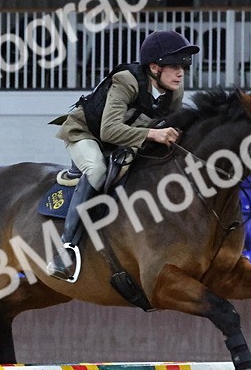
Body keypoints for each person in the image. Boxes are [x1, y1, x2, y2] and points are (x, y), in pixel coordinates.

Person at [45, 29, 199, 281]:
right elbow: (108, 130)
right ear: (154, 67)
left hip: (128, 136)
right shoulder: (126, 81)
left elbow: (170, 124)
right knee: (96, 169)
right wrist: (153, 134)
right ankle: (67, 248)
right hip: (87, 134)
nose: (181, 72)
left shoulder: (174, 90)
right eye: (173, 66)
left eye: (184, 65)